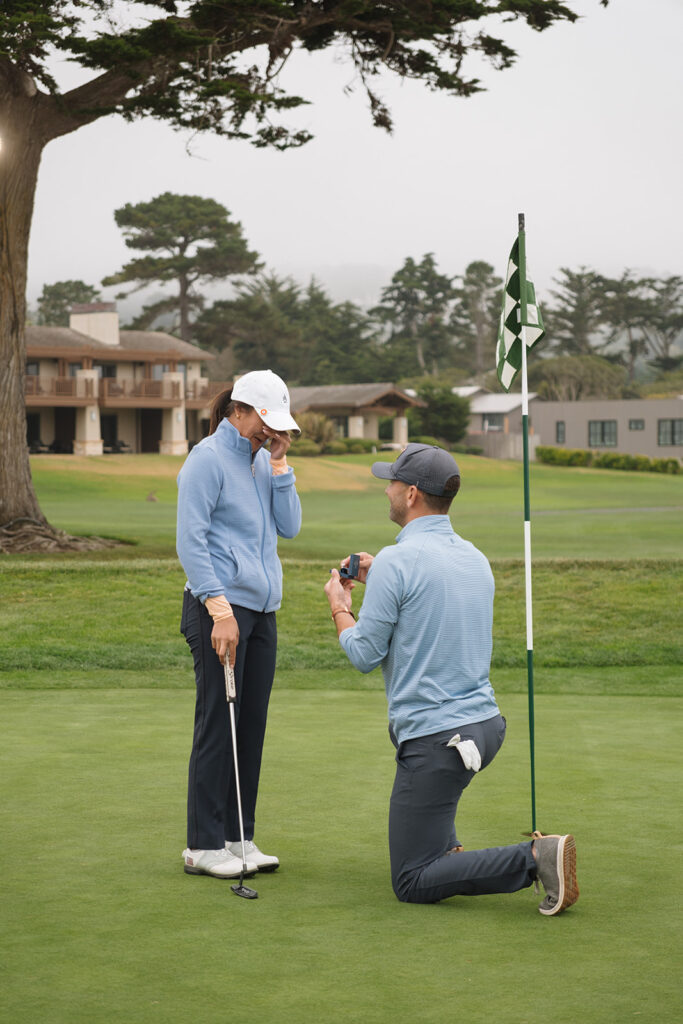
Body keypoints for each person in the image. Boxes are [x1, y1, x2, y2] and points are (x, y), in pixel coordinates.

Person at [323, 443, 578, 914]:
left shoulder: (397, 563)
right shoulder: (474, 558)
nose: (387, 489)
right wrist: (379, 576)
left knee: (412, 879)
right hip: (485, 726)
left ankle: (534, 858)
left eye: (393, 483)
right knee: (433, 827)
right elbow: (428, 593)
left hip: (438, 740)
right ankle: (451, 849)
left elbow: (362, 653)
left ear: (413, 494)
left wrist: (340, 605)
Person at [177, 369, 302, 879]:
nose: (268, 433)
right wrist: (219, 610)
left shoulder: (259, 461)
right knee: (217, 723)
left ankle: (238, 837)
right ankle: (203, 845)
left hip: (262, 612)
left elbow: (289, 526)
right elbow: (192, 541)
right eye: (263, 424)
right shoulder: (207, 460)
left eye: (276, 427)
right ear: (238, 411)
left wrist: (280, 464)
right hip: (219, 611)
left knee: (249, 728)